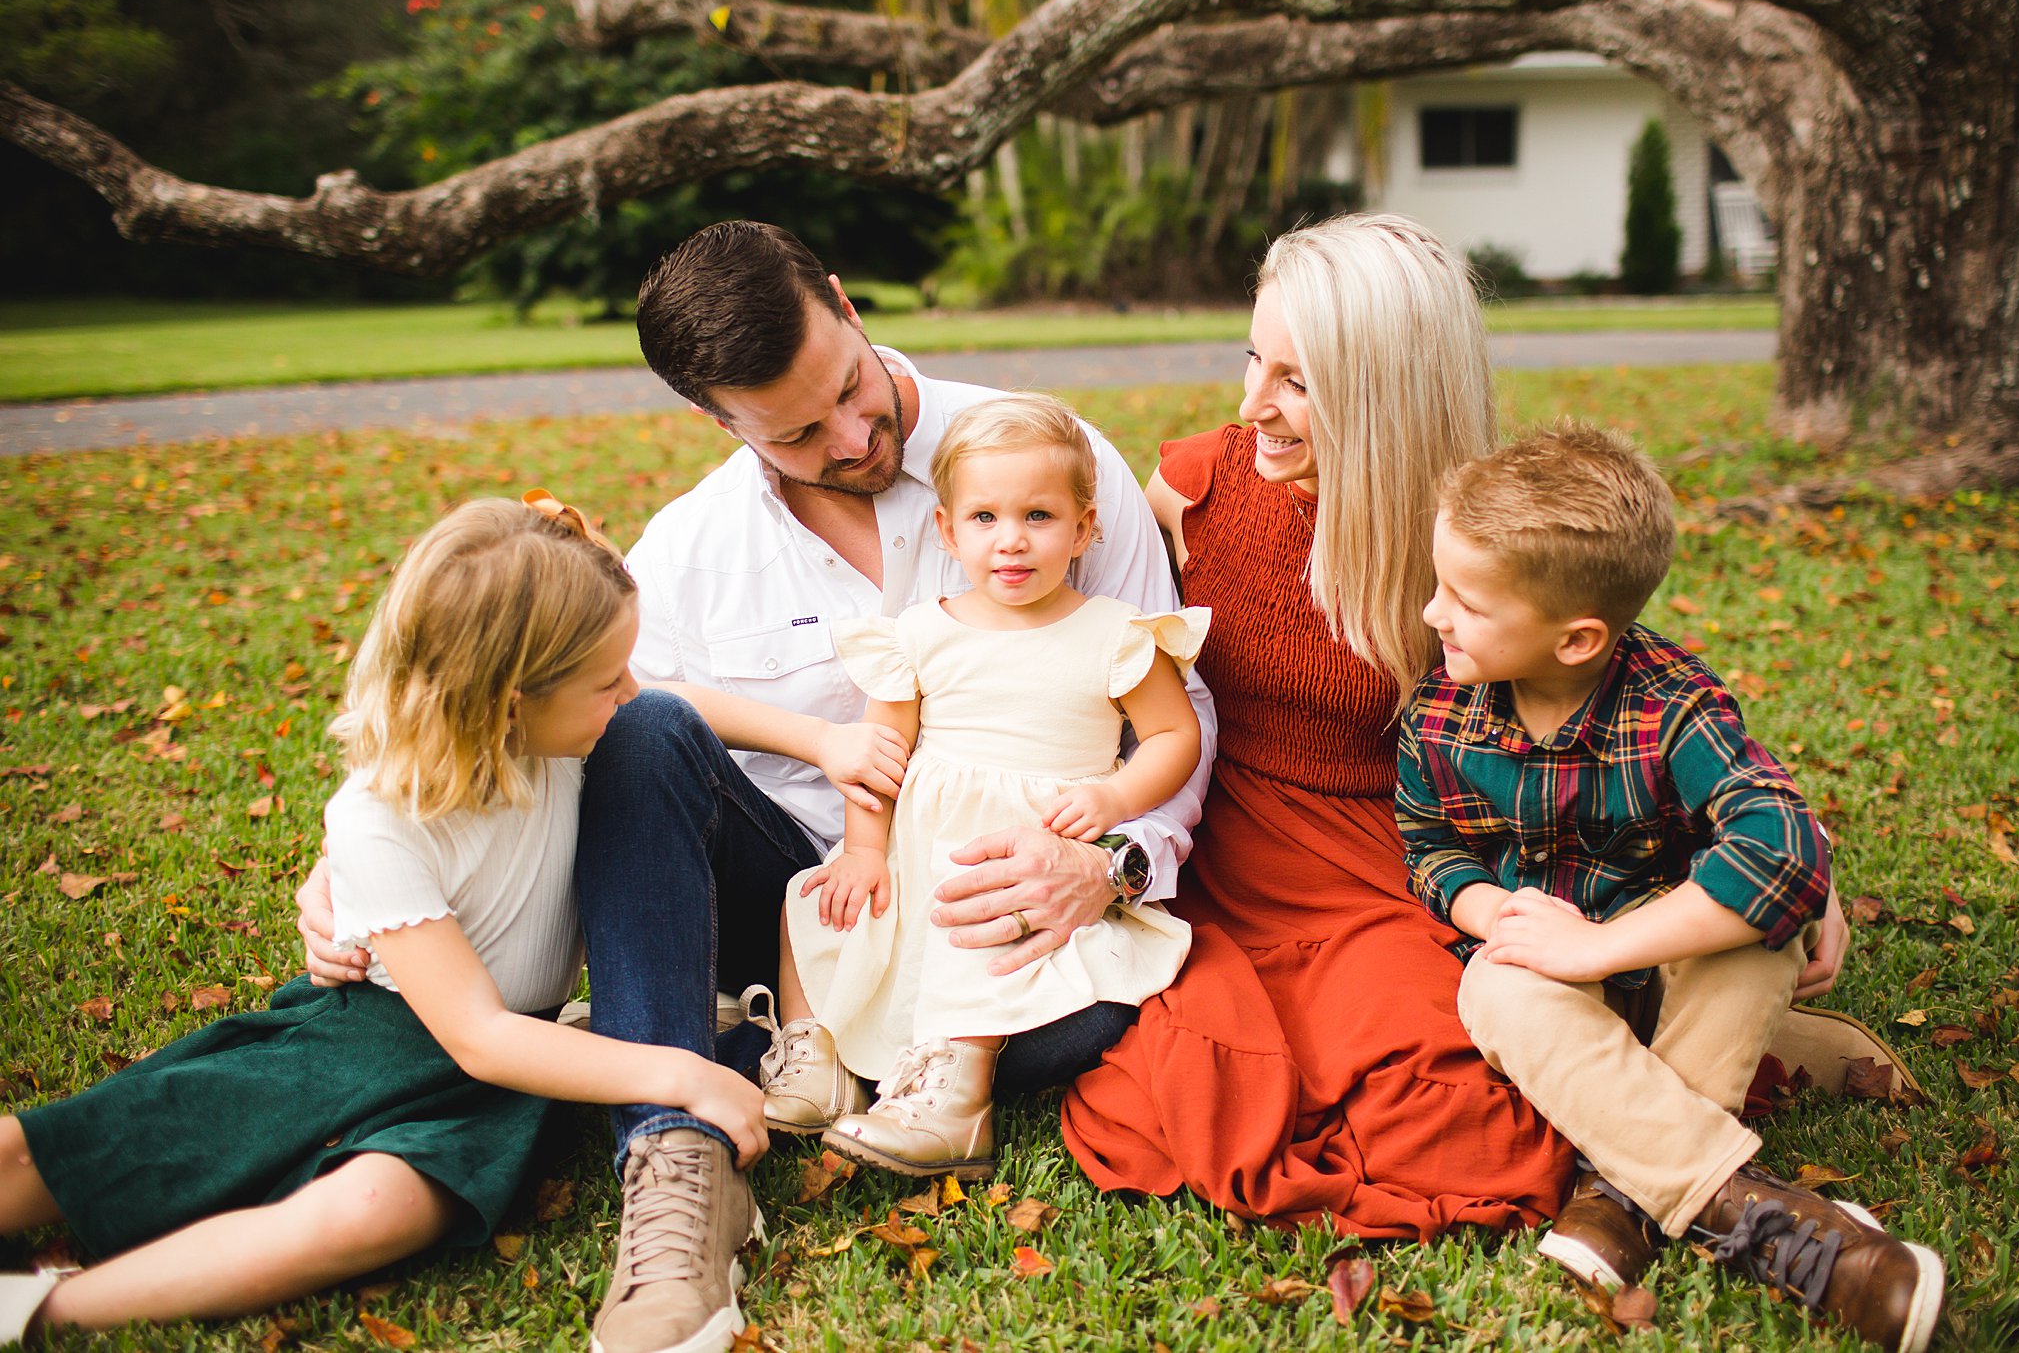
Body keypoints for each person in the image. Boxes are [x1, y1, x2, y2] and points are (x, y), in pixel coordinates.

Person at [297, 221, 1213, 1353]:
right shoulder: (690, 548)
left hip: (1005, 892)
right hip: (803, 889)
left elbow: (1176, 715)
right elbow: (540, 713)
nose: (853, 434)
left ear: (844, 301)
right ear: (717, 420)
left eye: (849, 387)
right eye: (798, 432)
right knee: (648, 724)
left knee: (1068, 1037)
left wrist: (1109, 860)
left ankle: (706, 1028)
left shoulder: (1047, 465)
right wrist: (362, 858)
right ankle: (676, 1160)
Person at [0, 496, 768, 1345]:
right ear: (510, 701)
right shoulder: (378, 818)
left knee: (370, 1210)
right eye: (607, 682)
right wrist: (679, 1073)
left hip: (499, 1080)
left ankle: (44, 1303)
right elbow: (474, 1030)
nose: (630, 695)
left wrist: (821, 741)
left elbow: (674, 712)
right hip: (370, 1038)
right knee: (72, 1150)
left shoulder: (566, 738)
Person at [1060, 212, 1578, 1236]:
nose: (1254, 405)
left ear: (1388, 389)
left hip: (1381, 861)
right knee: (1182, 1088)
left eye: (1298, 381)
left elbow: (1615, 700)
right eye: (1255, 359)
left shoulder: (1481, 530)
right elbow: (1067, 626)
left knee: (1472, 1121)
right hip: (1215, 839)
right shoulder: (1198, 483)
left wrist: (1790, 848)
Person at [1400, 424, 1944, 1353]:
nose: (1431, 614)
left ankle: (1622, 1201)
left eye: (1465, 600)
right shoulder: (1440, 714)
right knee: (1494, 985)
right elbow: (1429, 844)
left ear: (1578, 637)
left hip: (1669, 964)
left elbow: (1784, 850)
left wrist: (1602, 945)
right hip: (1564, 996)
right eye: (1440, 584)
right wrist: (1491, 912)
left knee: (1757, 934)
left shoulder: (1673, 703)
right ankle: (1757, 1212)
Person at [757, 394, 1207, 1179]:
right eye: (985, 519)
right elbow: (879, 755)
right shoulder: (919, 634)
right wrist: (863, 852)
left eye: (1038, 516)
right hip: (915, 850)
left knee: (984, 938)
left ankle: (955, 1100)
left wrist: (1113, 800)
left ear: (1084, 528)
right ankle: (814, 1053)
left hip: (1025, 846)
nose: (1012, 541)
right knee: (813, 902)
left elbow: (1175, 737)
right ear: (947, 530)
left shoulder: (1114, 634)